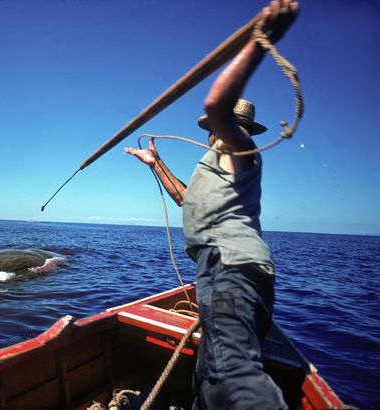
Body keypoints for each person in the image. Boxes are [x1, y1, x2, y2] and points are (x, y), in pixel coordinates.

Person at [125, 1, 299, 408]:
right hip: (217, 272)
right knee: (209, 376)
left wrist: (260, 40)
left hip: (231, 270)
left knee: (231, 373)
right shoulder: (216, 166)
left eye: (232, 124)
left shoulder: (242, 149)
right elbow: (187, 200)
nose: (224, 129)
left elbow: (215, 105)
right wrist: (156, 164)